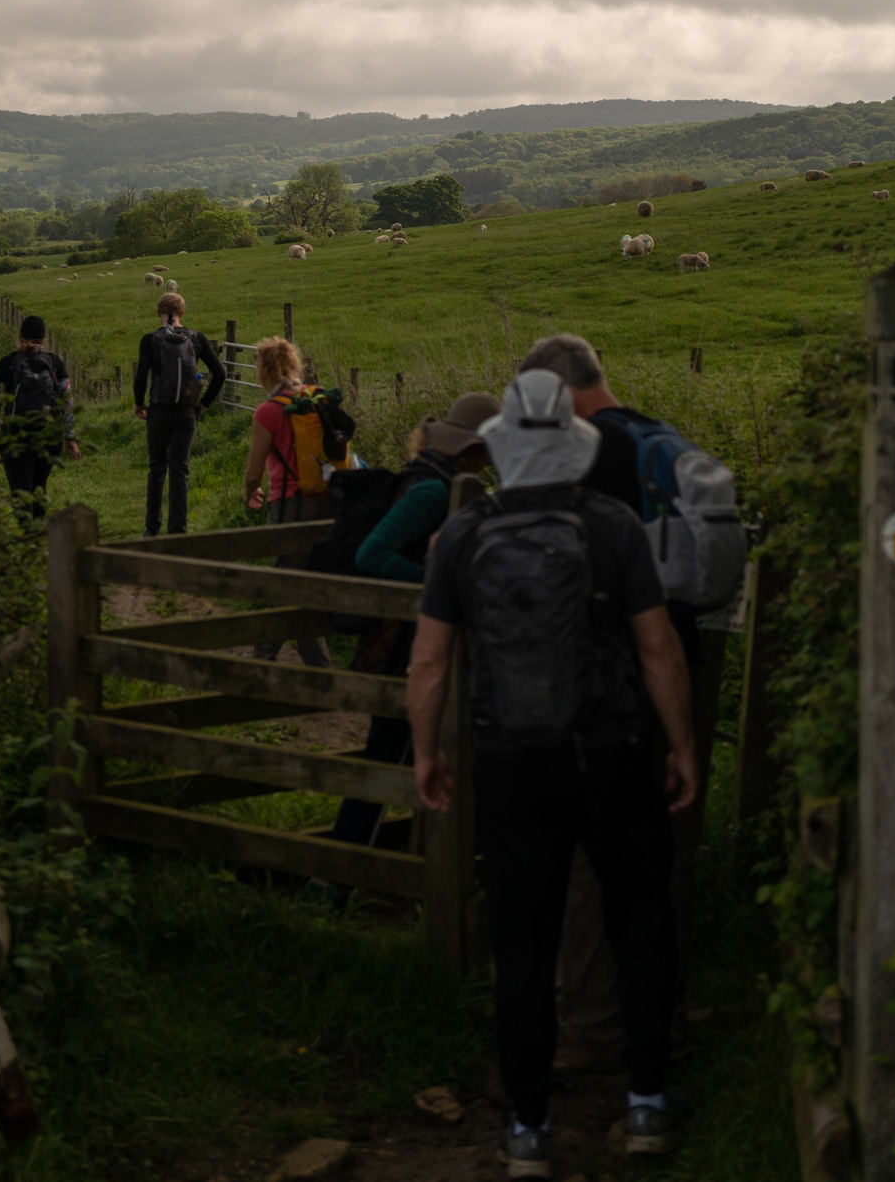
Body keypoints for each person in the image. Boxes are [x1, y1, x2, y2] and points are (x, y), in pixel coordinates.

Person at [409, 370, 699, 1174]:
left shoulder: (467, 534)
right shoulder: (612, 527)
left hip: (510, 762)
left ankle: (528, 1129)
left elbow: (431, 658)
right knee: (637, 924)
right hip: (611, 753)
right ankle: (645, 1106)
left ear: (501, 451)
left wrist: (428, 751)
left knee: (523, 945)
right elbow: (658, 648)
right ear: (573, 447)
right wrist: (680, 744)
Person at [516, 332, 721, 1072]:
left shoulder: (585, 457)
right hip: (680, 673)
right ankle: (663, 1011)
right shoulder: (657, 437)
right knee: (667, 852)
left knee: (587, 862)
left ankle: (593, 1025)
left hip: (606, 687)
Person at [327, 391, 494, 849]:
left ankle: (374, 861)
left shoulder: (443, 480)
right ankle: (343, 869)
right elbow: (372, 553)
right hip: (406, 642)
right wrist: (435, 582)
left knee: (401, 755)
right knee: (390, 754)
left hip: (417, 639)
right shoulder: (432, 491)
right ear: (476, 449)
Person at [240, 336, 349, 667]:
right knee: (309, 578)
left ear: (263, 371)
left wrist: (250, 491)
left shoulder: (269, 412)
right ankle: (315, 659)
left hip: (290, 504)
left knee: (286, 579)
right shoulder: (319, 399)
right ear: (294, 364)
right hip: (329, 501)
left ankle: (264, 657)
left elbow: (254, 469)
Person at [131, 290, 226, 538]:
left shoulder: (150, 340)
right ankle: (178, 531)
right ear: (182, 313)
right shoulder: (196, 338)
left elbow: (141, 376)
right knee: (180, 469)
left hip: (159, 411)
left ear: (158, 312)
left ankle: (151, 530)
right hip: (186, 412)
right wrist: (203, 404)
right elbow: (220, 374)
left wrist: (140, 403)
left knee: (156, 468)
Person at [0, 315, 79, 525]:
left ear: (20, 336)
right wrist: (70, 436)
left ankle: (27, 536)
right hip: (49, 435)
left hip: (15, 435)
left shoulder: (7, 362)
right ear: (44, 338)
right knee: (39, 484)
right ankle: (39, 533)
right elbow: (67, 400)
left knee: (20, 488)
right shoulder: (54, 362)